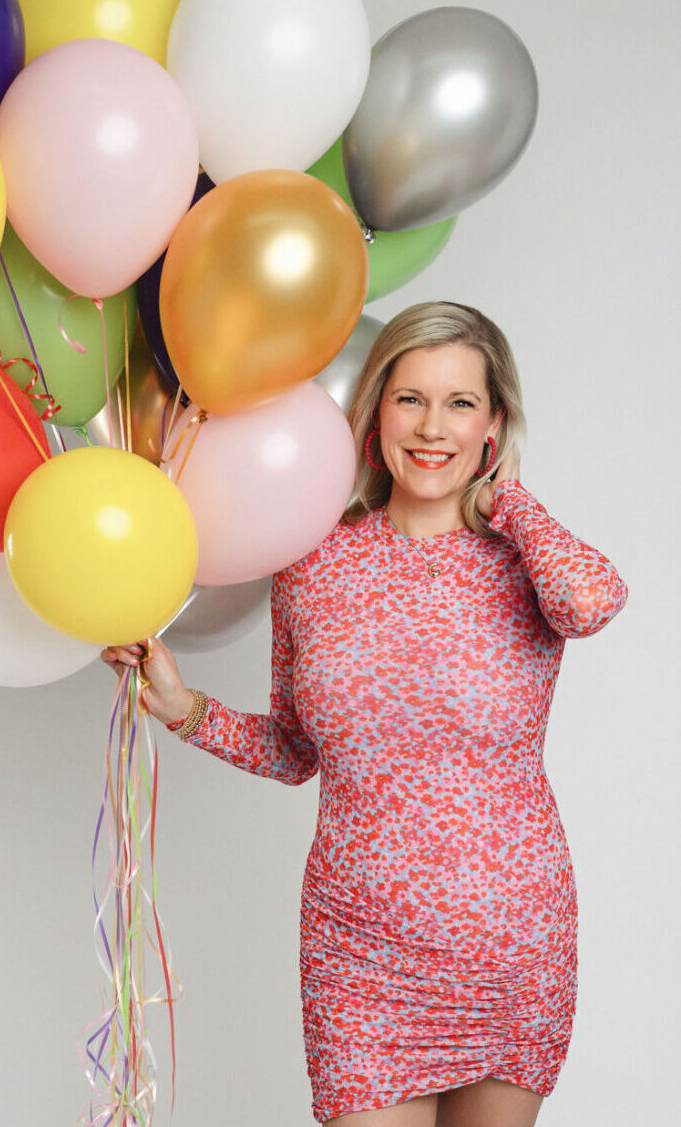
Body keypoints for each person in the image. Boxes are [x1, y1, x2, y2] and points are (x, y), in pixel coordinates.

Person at [100, 301, 628, 1127]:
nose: (432, 426)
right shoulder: (312, 561)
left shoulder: (522, 560)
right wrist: (185, 708)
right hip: (361, 953)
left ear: (493, 422)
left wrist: (510, 505)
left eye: (460, 403)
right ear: (375, 408)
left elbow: (595, 601)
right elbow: (294, 749)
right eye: (409, 397)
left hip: (511, 950)